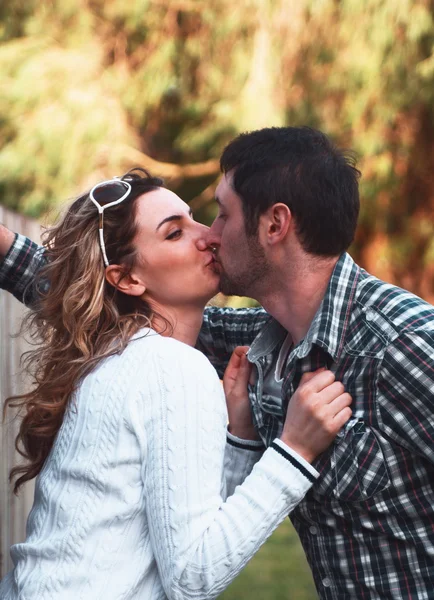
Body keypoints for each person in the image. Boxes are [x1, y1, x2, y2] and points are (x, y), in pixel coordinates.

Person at [2, 125, 434, 598]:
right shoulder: (255, 347)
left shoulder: (403, 345)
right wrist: (6, 249)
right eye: (181, 228)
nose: (210, 235)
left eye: (221, 214)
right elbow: (93, 289)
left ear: (274, 225)